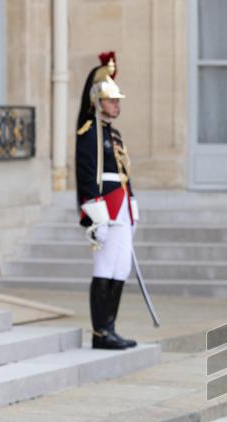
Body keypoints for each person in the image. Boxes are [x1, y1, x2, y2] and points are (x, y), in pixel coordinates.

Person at [75, 52, 138, 350]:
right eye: (112, 100)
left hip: (121, 204)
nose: (117, 105)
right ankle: (100, 332)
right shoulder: (89, 134)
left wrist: (132, 201)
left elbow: (124, 172)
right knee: (104, 267)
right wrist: (93, 215)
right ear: (97, 101)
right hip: (104, 207)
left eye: (118, 101)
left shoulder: (114, 134)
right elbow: (87, 176)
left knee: (121, 267)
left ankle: (110, 326)